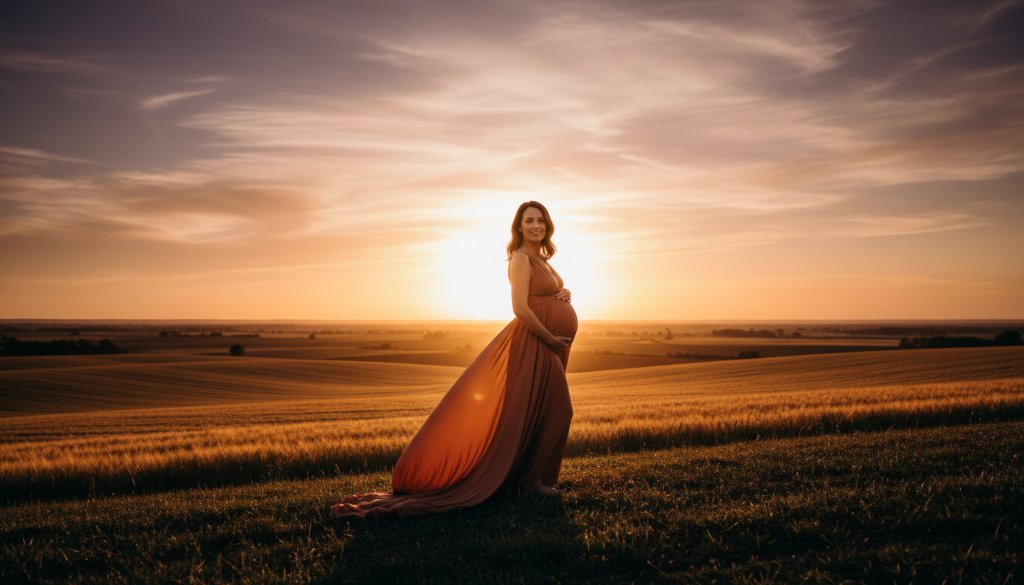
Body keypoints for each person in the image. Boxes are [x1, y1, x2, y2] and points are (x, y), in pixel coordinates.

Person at [329, 200, 578, 518]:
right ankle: (529, 482)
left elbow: (544, 293)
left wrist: (564, 292)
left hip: (548, 343)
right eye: (529, 221)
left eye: (541, 220)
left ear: (548, 224)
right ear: (519, 226)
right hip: (535, 343)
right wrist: (550, 337)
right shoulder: (519, 259)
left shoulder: (541, 258)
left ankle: (529, 479)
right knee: (560, 411)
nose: (536, 226)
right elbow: (519, 308)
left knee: (543, 412)